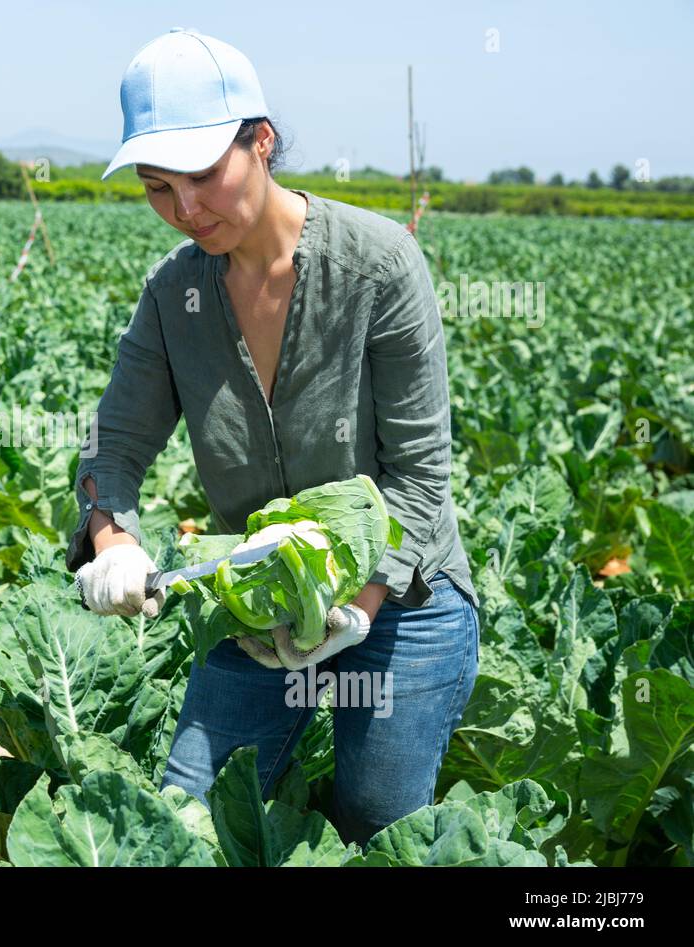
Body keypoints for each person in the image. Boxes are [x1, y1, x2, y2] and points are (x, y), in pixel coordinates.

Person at [69, 29, 480, 847]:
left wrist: (352, 606)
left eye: (201, 176)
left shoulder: (379, 266)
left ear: (260, 141)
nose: (185, 210)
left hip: (400, 605)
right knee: (181, 820)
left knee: (377, 825)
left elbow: (422, 478)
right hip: (255, 608)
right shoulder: (173, 294)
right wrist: (111, 539)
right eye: (158, 187)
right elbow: (111, 447)